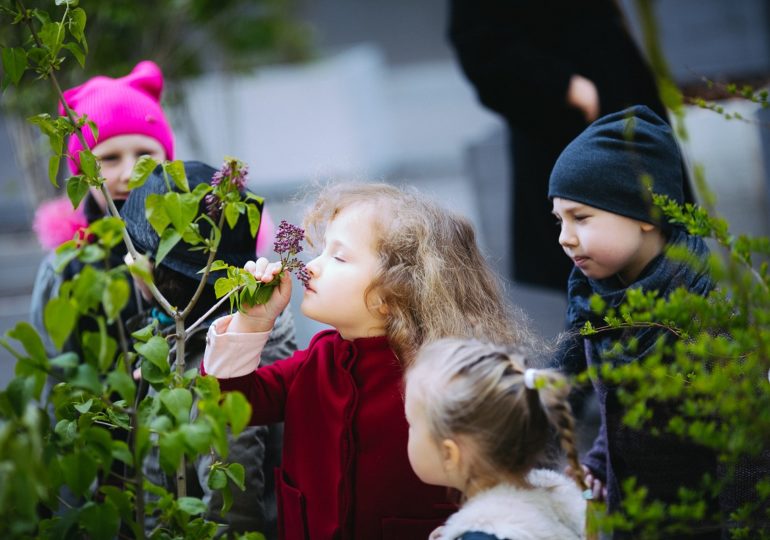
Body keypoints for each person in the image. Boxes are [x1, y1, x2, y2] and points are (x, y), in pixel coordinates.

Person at [200, 182, 534, 539]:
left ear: (396, 290)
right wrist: (252, 322)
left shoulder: (441, 380)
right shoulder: (316, 361)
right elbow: (225, 404)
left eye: (339, 257)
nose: (311, 267)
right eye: (322, 251)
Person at [549, 105, 718, 538]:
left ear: (645, 213)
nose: (565, 238)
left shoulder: (708, 313)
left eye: (581, 217)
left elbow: (749, 452)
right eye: (560, 220)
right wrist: (601, 460)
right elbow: (622, 408)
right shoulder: (596, 299)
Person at [447, 0, 688, 291]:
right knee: (603, 282)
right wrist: (564, 87)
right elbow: (479, 42)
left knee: (664, 260)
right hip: (566, 128)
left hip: (620, 106)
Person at [120, 160, 295, 538]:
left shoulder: (220, 376)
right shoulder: (174, 338)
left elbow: (233, 517)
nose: (127, 260)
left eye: (133, 251)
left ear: (149, 269)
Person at [404, 338, 587, 540]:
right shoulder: (553, 504)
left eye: (411, 424)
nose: (408, 431)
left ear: (449, 453)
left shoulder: (485, 534)